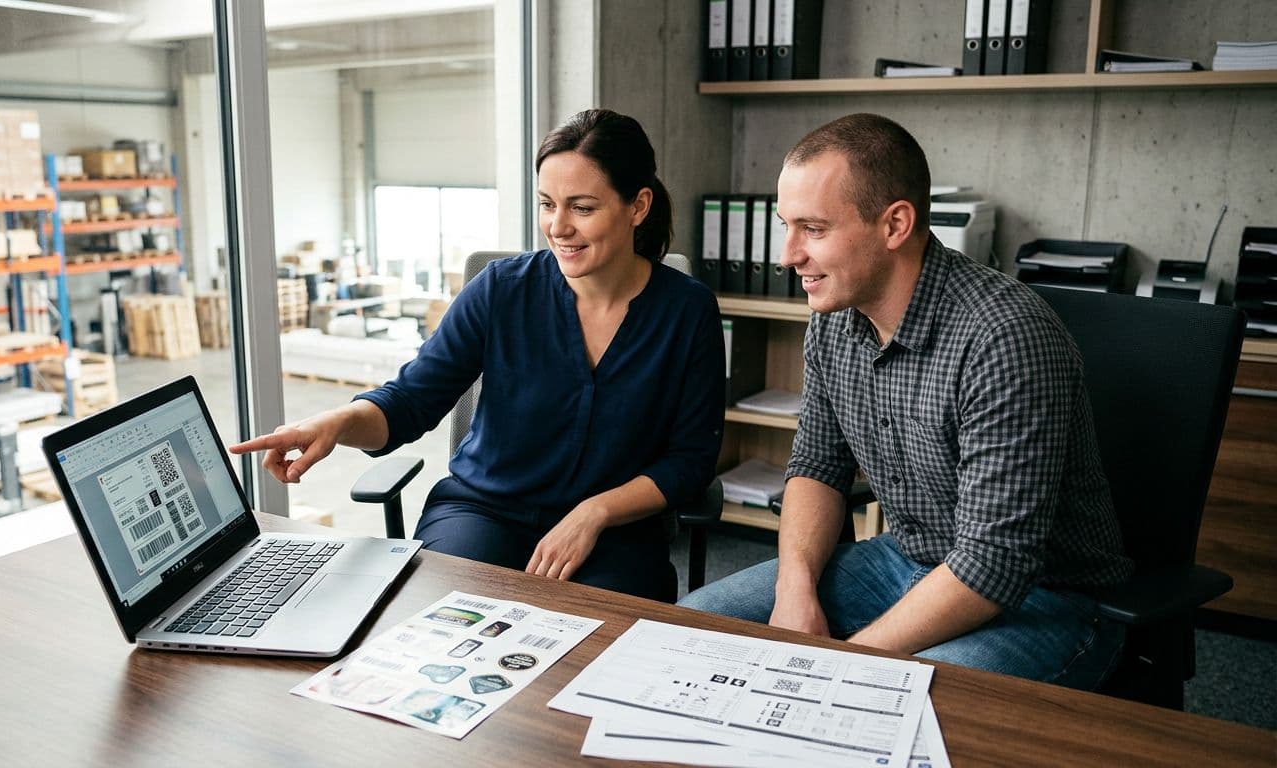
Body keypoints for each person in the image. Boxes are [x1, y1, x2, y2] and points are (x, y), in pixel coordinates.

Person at [678, 113, 1133, 689]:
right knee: (690, 629)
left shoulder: (1005, 337)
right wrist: (795, 591)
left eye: (813, 229)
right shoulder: (835, 320)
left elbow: (994, 564)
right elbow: (817, 466)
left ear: (895, 224)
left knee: (877, 704)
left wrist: (837, 663)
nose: (787, 255)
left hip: (1043, 601)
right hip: (906, 559)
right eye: (785, 225)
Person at [231, 108, 724, 602]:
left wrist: (596, 512)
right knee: (436, 618)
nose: (558, 227)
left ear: (638, 206)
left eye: (582, 208)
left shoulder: (687, 311)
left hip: (615, 533)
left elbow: (691, 459)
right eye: (547, 204)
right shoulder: (501, 291)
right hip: (484, 512)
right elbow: (411, 400)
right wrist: (337, 423)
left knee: (604, 635)